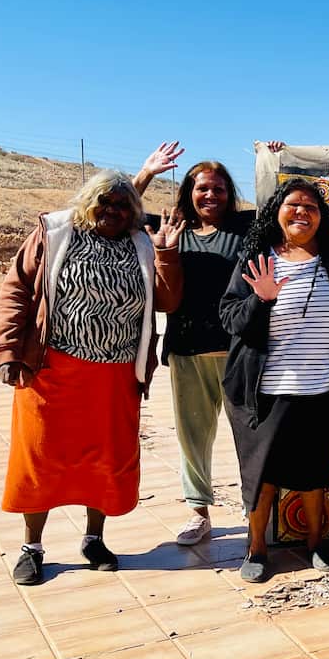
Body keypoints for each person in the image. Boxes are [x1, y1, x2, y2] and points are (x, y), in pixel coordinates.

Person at [0, 171, 182, 585]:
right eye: (104, 202)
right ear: (87, 202)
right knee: (39, 458)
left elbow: (167, 300)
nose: (112, 210)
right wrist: (6, 350)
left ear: (134, 212)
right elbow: (17, 290)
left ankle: (94, 539)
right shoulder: (55, 233)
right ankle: (32, 547)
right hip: (51, 370)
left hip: (115, 376)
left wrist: (167, 253)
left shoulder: (142, 245)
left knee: (106, 460)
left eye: (123, 205)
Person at [220, 176, 329, 582]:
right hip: (262, 393)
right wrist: (261, 298)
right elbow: (230, 318)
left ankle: (315, 543)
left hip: (319, 390)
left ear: (321, 217)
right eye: (293, 205)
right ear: (277, 212)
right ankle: (256, 549)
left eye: (311, 207)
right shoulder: (257, 259)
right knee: (262, 477)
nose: (302, 213)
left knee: (314, 475)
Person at [134, 141, 255, 545]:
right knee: (193, 436)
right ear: (189, 190)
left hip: (240, 351)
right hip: (187, 349)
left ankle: (256, 509)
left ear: (229, 193)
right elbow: (118, 209)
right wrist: (147, 172)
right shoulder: (171, 227)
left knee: (251, 435)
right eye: (202, 188)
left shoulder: (246, 227)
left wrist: (274, 157)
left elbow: (286, 203)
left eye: (218, 188)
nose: (210, 195)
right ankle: (199, 511)